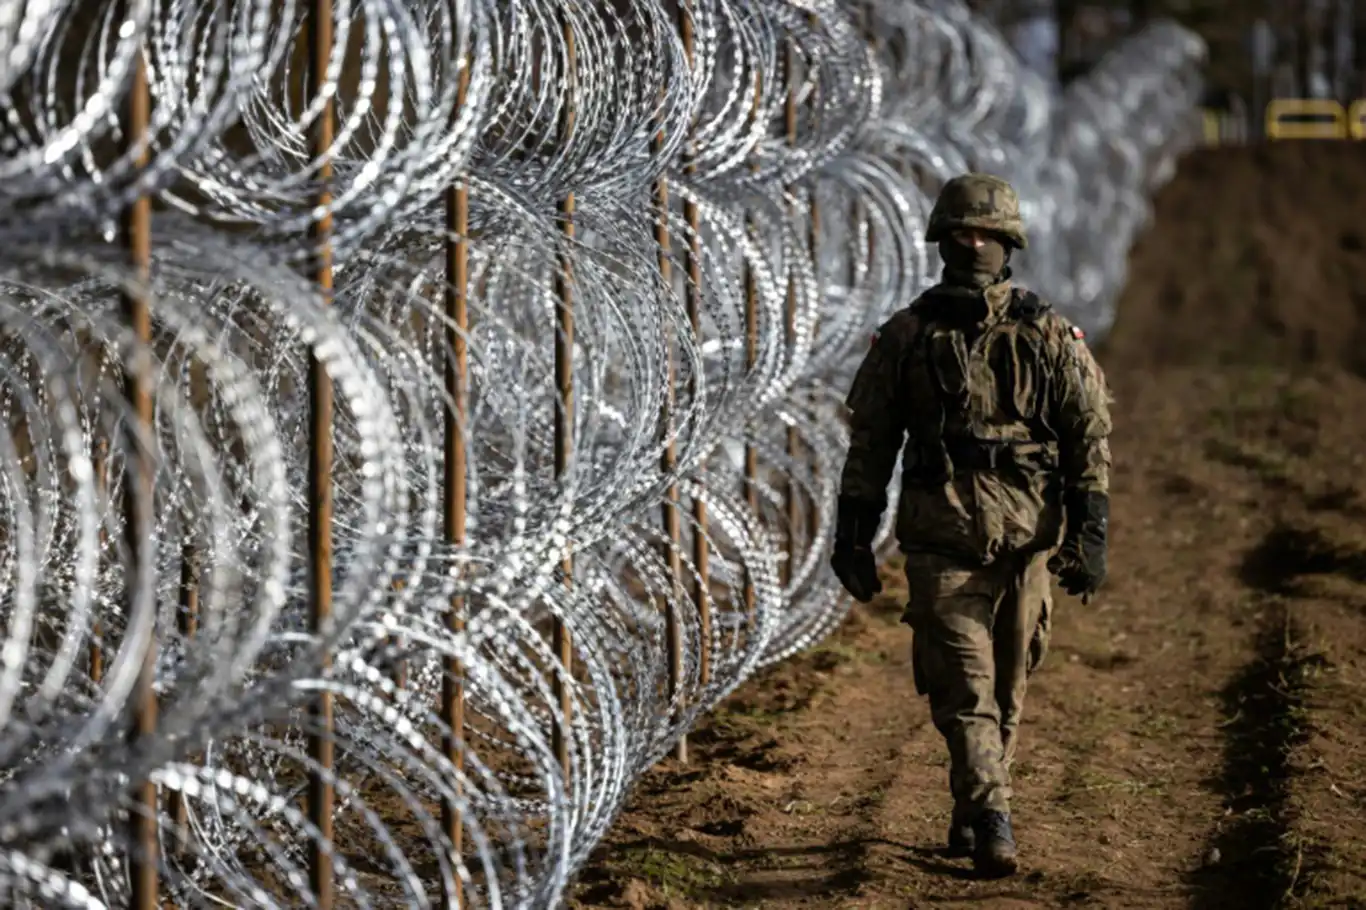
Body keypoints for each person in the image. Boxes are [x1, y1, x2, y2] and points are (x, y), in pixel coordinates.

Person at [830, 173, 1112, 878]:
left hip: (1026, 543)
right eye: (960, 232)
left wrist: (1091, 528)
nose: (972, 242)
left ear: (1009, 242)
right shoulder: (906, 336)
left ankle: (975, 800)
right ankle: (992, 815)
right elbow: (870, 443)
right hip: (939, 537)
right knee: (965, 692)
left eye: (985, 233)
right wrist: (852, 533)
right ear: (942, 240)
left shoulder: (1046, 332)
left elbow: (1088, 432)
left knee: (1010, 691)